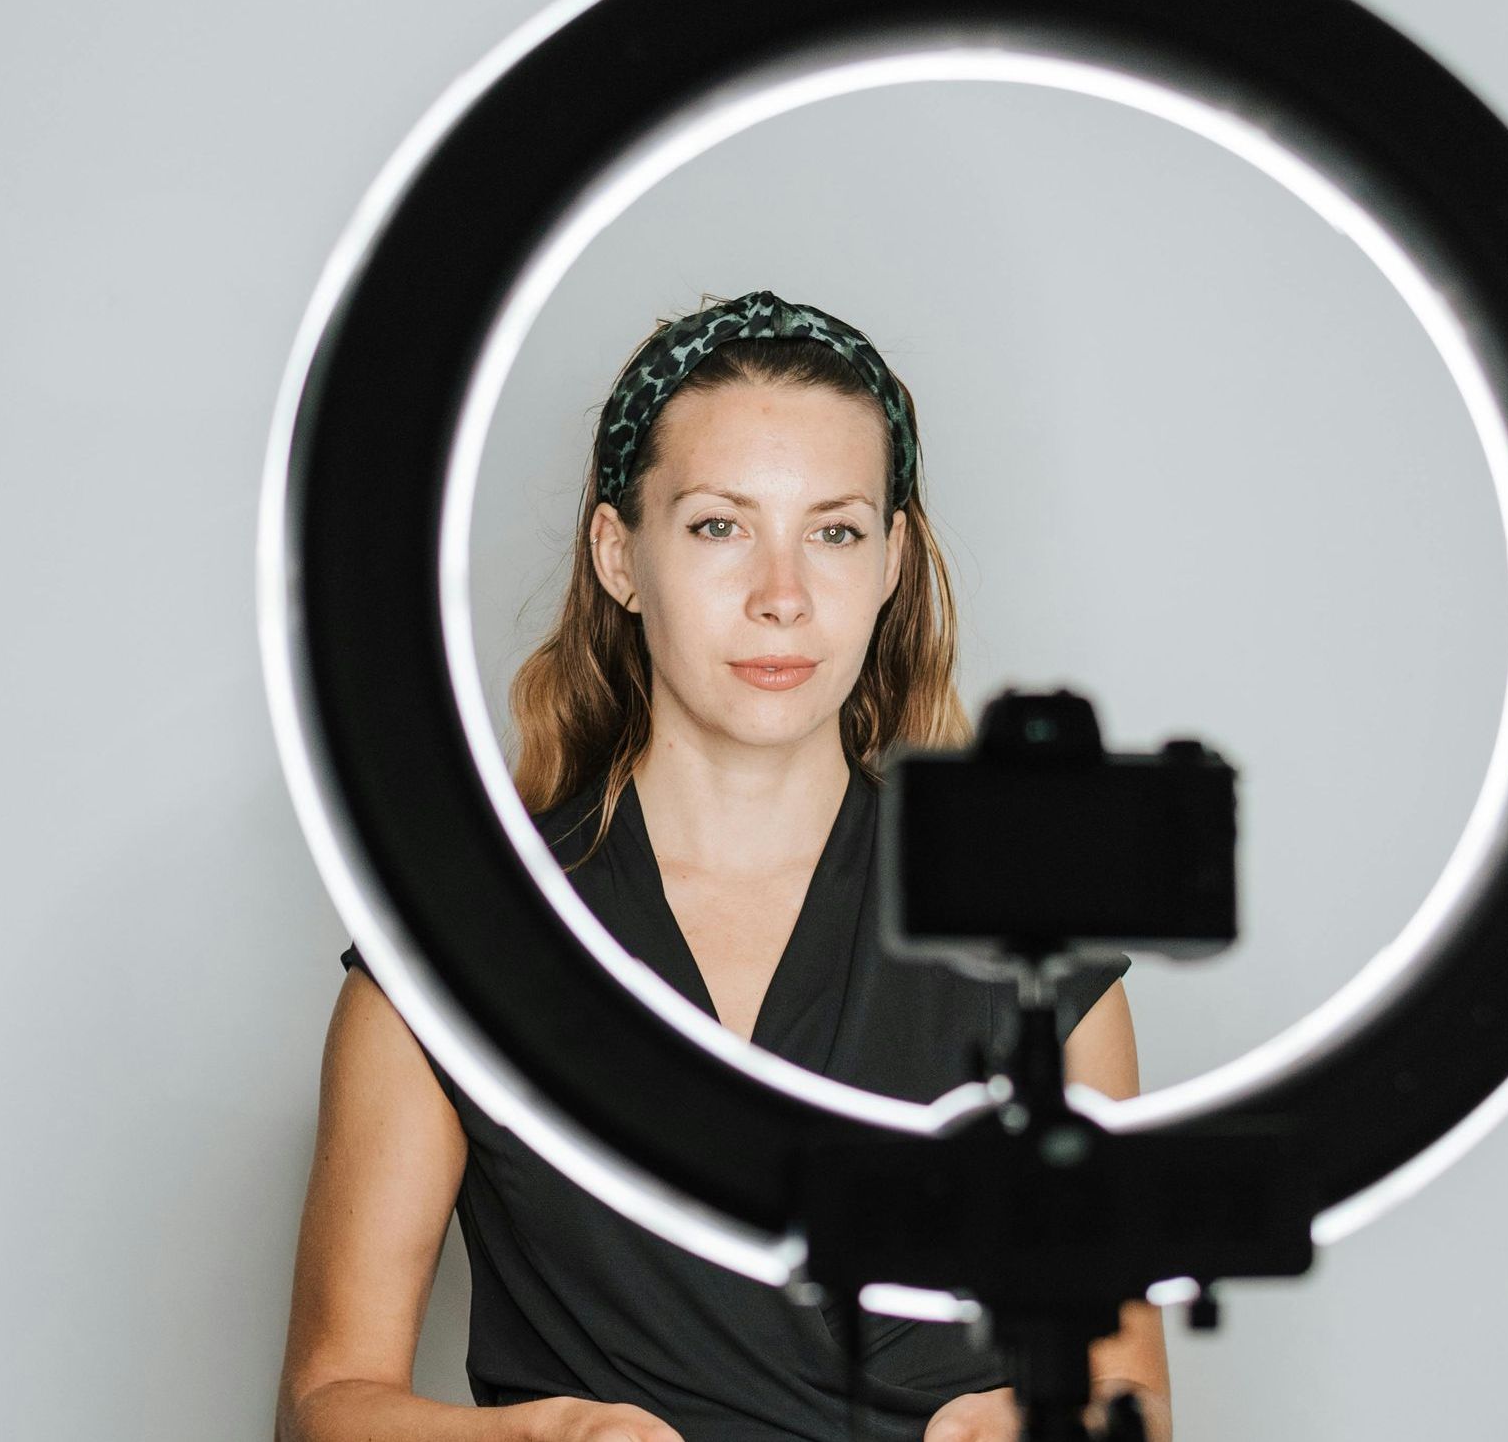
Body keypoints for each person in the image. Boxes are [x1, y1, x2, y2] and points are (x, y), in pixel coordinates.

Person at [275, 290, 1174, 1442]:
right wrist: (545, 1438)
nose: (782, 595)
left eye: (835, 530)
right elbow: (325, 1405)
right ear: (619, 554)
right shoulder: (454, 948)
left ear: (893, 559)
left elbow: (1125, 1377)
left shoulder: (1030, 936)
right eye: (718, 525)